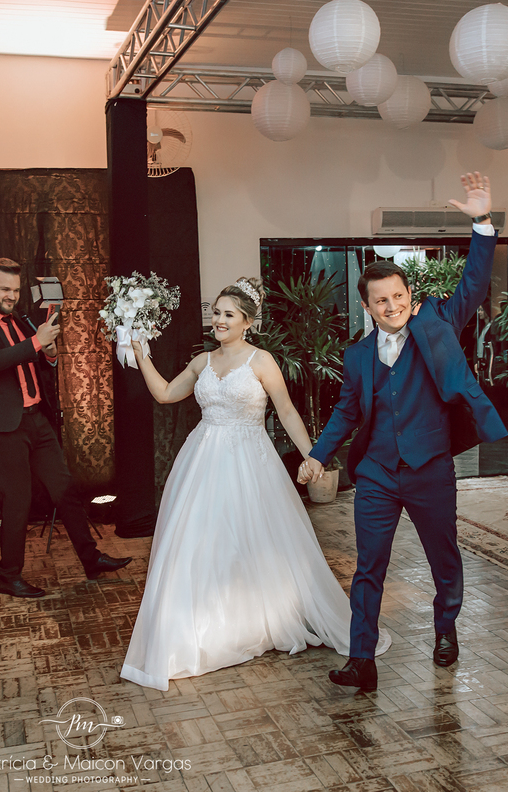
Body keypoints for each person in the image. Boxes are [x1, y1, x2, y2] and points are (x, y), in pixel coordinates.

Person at [118, 278, 390, 691]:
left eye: (228, 314)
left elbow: (287, 411)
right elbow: (166, 394)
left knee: (258, 540)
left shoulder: (261, 361)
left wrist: (312, 455)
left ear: (247, 322)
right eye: (216, 313)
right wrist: (141, 354)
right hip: (203, 461)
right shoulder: (202, 362)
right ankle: (208, 626)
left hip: (250, 461)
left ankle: (260, 618)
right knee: (201, 541)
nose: (219, 320)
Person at [300, 173, 508, 692]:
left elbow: (473, 284)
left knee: (444, 558)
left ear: (410, 296)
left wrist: (483, 222)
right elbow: (346, 412)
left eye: (398, 296)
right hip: (376, 473)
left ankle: (445, 629)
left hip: (430, 469)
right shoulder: (357, 356)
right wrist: (318, 455)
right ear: (367, 306)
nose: (391, 306)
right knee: (368, 567)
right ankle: (362, 660)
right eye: (380, 301)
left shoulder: (439, 323)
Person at [0, 258, 131, 598]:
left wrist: (49, 352)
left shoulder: (19, 321)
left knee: (65, 489)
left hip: (36, 419)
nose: (11, 296)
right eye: (5, 289)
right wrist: (37, 342)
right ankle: (9, 576)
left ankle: (91, 559)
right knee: (17, 501)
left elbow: (38, 360)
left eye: (15, 290)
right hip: (4, 427)